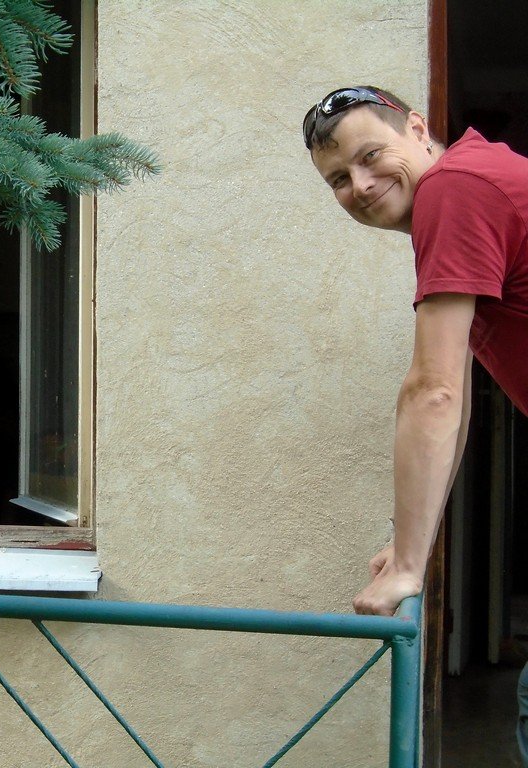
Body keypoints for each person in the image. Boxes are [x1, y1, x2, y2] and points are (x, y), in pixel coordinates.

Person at [303, 85, 528, 764]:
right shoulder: (470, 180)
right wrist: (411, 543)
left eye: (371, 156)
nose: (361, 185)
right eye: (339, 179)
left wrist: (406, 566)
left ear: (419, 129)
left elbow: (432, 392)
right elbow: (455, 397)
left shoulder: (456, 191)